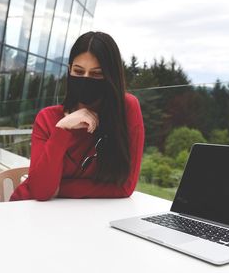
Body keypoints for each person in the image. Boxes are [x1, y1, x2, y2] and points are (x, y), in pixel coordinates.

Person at [10, 32, 145, 201]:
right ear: (69, 70)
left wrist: (60, 188)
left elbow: (125, 187)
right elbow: (40, 191)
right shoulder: (48, 118)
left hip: (79, 216)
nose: (86, 79)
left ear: (111, 76)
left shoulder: (126, 109)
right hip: (28, 210)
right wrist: (62, 129)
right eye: (78, 71)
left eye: (96, 74)